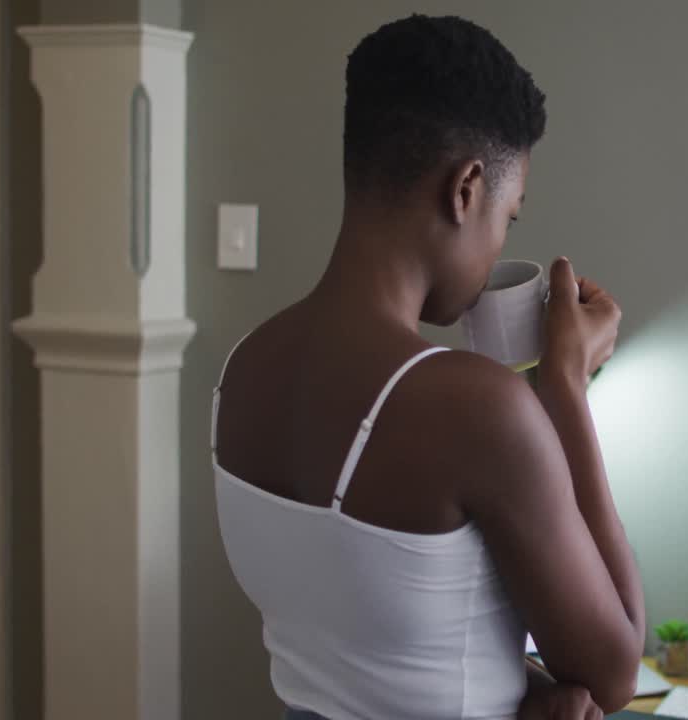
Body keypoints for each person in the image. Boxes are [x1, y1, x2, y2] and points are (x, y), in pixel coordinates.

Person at [210, 15, 645, 720]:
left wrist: (520, 689)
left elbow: (368, 633)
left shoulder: (244, 366)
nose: (501, 238)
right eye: (510, 215)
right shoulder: (477, 407)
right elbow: (616, 669)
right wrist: (565, 386)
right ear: (466, 188)